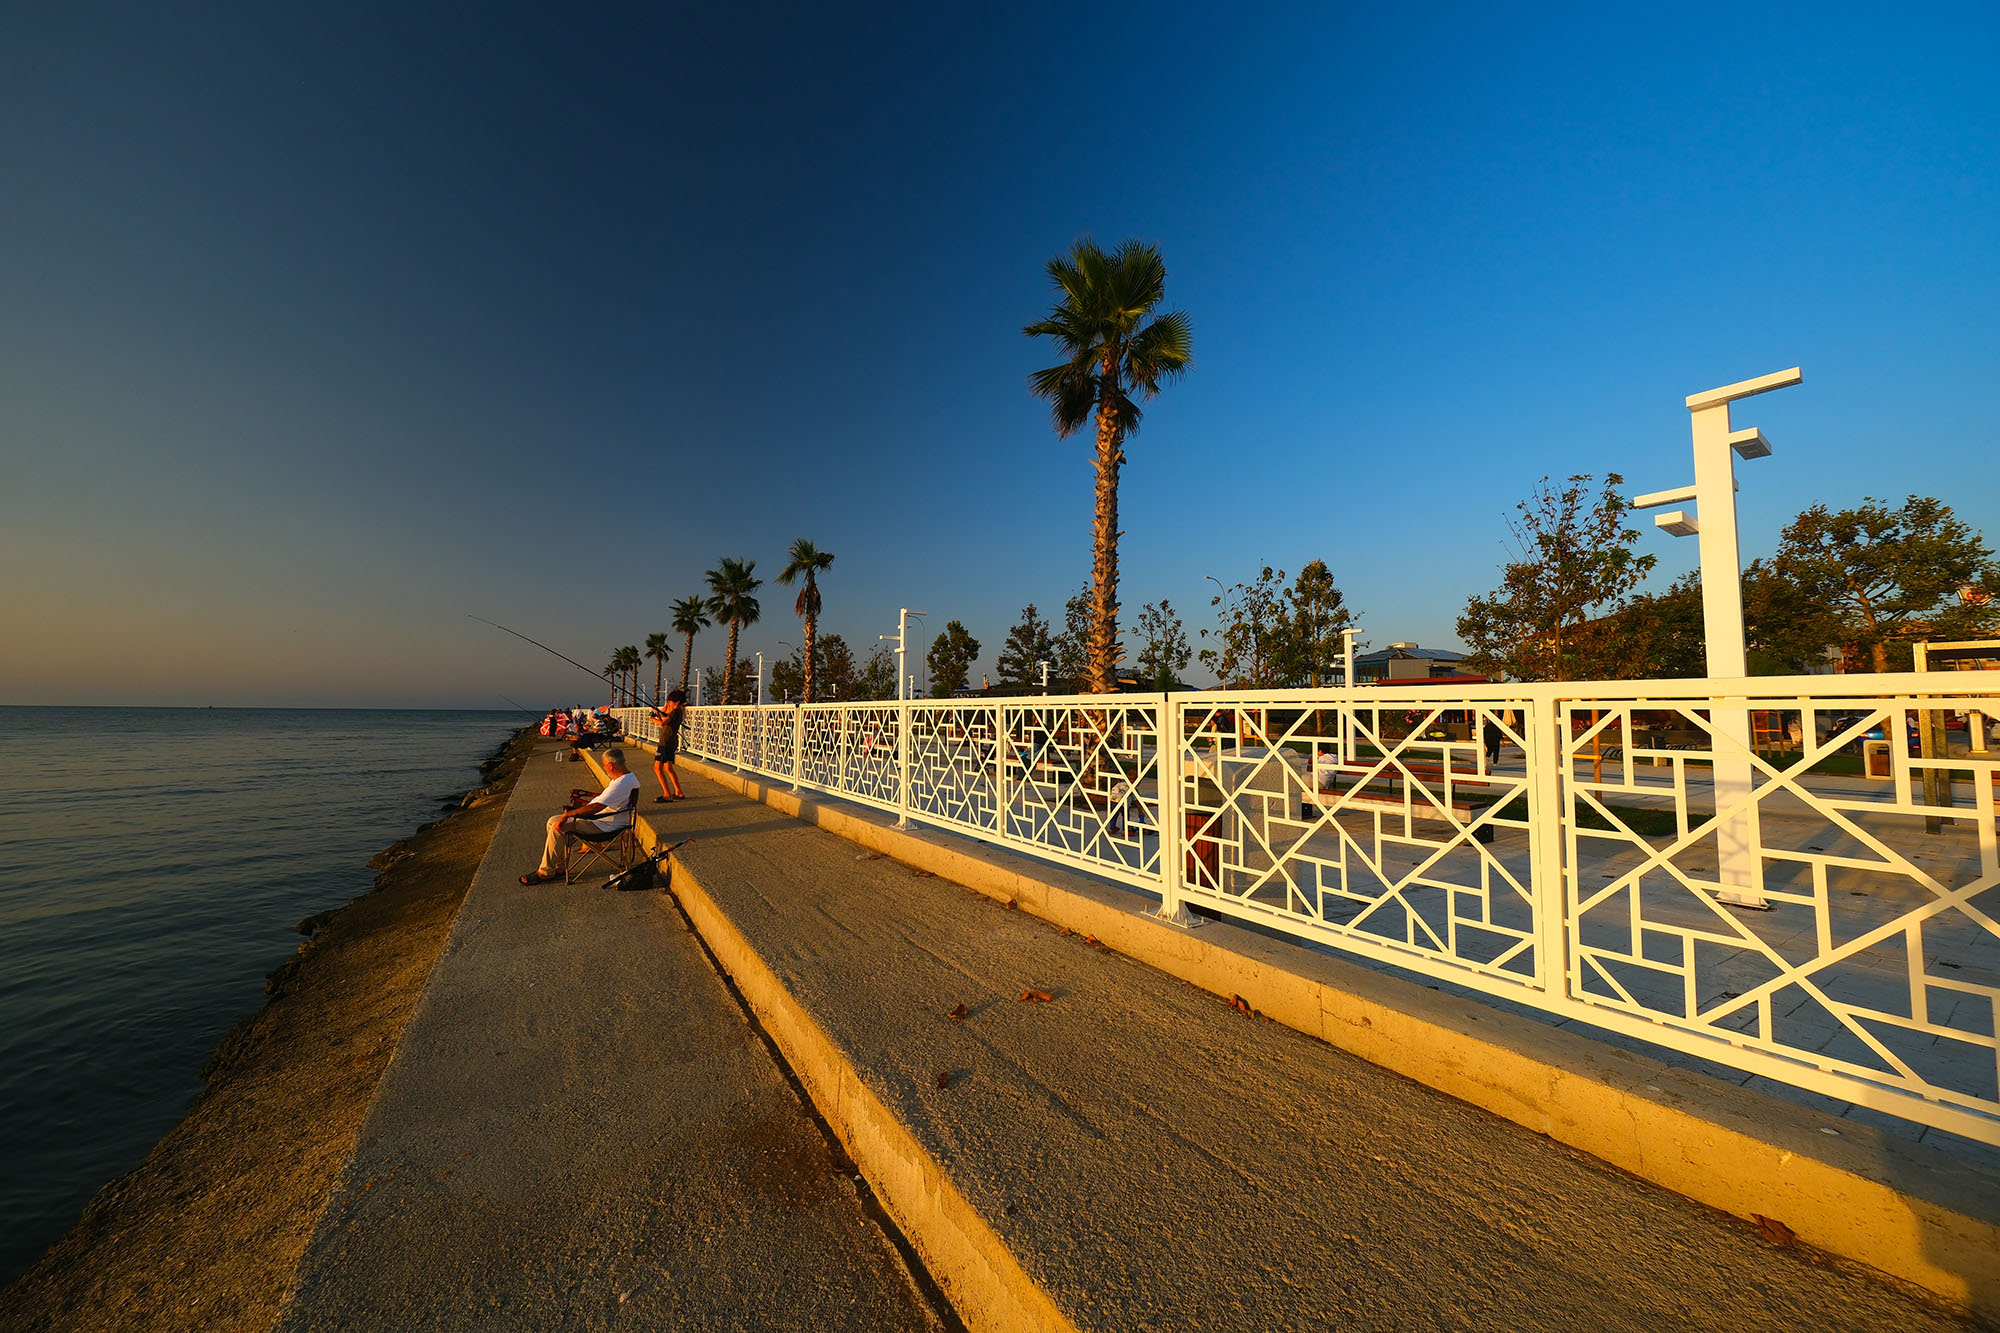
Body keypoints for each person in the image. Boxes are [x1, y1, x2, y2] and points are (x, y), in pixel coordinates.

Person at [520, 748, 640, 884]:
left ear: (611, 765)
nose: (604, 768)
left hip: (604, 825)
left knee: (559, 826)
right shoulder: (627, 778)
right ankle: (559, 867)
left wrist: (569, 814)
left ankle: (545, 872)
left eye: (604, 765)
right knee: (552, 821)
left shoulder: (621, 784)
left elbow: (596, 807)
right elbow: (601, 803)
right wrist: (579, 809)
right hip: (603, 820)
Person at [650, 688, 687, 802]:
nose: (668, 703)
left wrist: (652, 718)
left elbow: (662, 723)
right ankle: (678, 792)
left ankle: (667, 794)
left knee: (657, 768)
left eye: (670, 701)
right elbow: (666, 724)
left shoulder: (675, 711)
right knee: (668, 767)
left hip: (666, 742)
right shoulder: (679, 712)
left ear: (676, 702)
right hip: (672, 741)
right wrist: (659, 715)